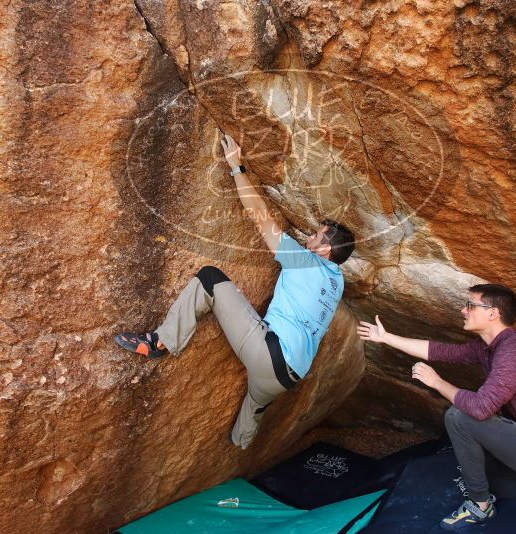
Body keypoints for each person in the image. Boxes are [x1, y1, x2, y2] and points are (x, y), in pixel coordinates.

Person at [115, 133, 355, 449]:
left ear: (325, 251)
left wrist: (237, 168)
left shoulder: (305, 262)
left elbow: (261, 218)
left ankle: (161, 341)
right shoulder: (337, 283)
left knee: (210, 278)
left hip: (269, 357)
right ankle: (241, 442)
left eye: (316, 236)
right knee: (255, 405)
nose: (309, 237)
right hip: (289, 379)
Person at [357, 284, 516, 530]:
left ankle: (481, 506)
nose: (463, 310)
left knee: (460, 417)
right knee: (474, 472)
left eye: (470, 305)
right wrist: (385, 337)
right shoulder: (488, 348)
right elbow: (441, 351)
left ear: (493, 313)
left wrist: (437, 383)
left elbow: (481, 409)